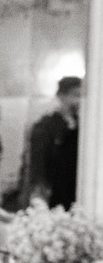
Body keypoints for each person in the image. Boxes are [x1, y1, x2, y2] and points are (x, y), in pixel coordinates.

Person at [24, 75, 82, 210]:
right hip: (55, 191)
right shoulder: (46, 126)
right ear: (62, 96)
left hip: (75, 190)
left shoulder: (84, 126)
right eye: (75, 95)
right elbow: (38, 163)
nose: (79, 101)